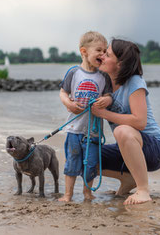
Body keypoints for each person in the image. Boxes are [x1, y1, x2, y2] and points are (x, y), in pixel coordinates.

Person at [91, 38, 160, 205]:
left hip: (155, 149)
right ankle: (128, 179)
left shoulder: (134, 82)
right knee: (85, 155)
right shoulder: (103, 83)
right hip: (128, 148)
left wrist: (104, 113)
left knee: (122, 131)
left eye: (107, 54)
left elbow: (139, 122)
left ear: (120, 63)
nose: (102, 56)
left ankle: (143, 190)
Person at [58, 31, 113, 202]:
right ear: (84, 51)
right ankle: (68, 194)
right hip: (74, 129)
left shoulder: (103, 75)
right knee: (72, 162)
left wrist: (106, 100)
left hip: (94, 130)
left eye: (105, 51)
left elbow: (110, 95)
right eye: (99, 50)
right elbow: (63, 92)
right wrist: (69, 104)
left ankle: (87, 193)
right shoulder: (74, 72)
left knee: (91, 164)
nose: (103, 55)